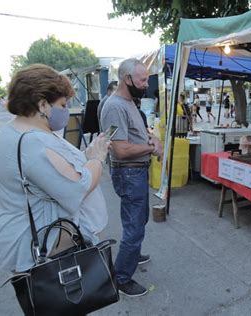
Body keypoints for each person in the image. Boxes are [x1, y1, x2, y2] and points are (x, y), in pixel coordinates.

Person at [0, 64, 111, 274]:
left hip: (36, 240)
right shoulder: (32, 143)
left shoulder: (18, 129)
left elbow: (58, 172)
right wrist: (98, 158)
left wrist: (85, 158)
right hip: (43, 250)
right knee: (64, 299)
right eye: (63, 104)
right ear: (43, 104)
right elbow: (78, 187)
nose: (66, 111)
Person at [100, 58, 163, 297]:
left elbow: (139, 133)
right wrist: (150, 149)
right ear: (127, 79)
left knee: (139, 220)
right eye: (143, 79)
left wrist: (153, 139)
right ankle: (121, 278)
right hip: (128, 173)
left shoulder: (129, 103)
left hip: (136, 172)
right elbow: (120, 149)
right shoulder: (115, 106)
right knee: (134, 227)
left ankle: (132, 254)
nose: (147, 84)